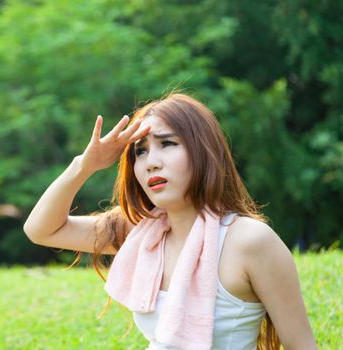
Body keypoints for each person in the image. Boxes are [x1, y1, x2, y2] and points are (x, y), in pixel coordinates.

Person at [24, 93, 317, 350]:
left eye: (167, 143)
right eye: (141, 150)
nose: (151, 161)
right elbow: (40, 230)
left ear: (203, 150)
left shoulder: (250, 241)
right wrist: (83, 166)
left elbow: (301, 345)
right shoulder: (140, 233)